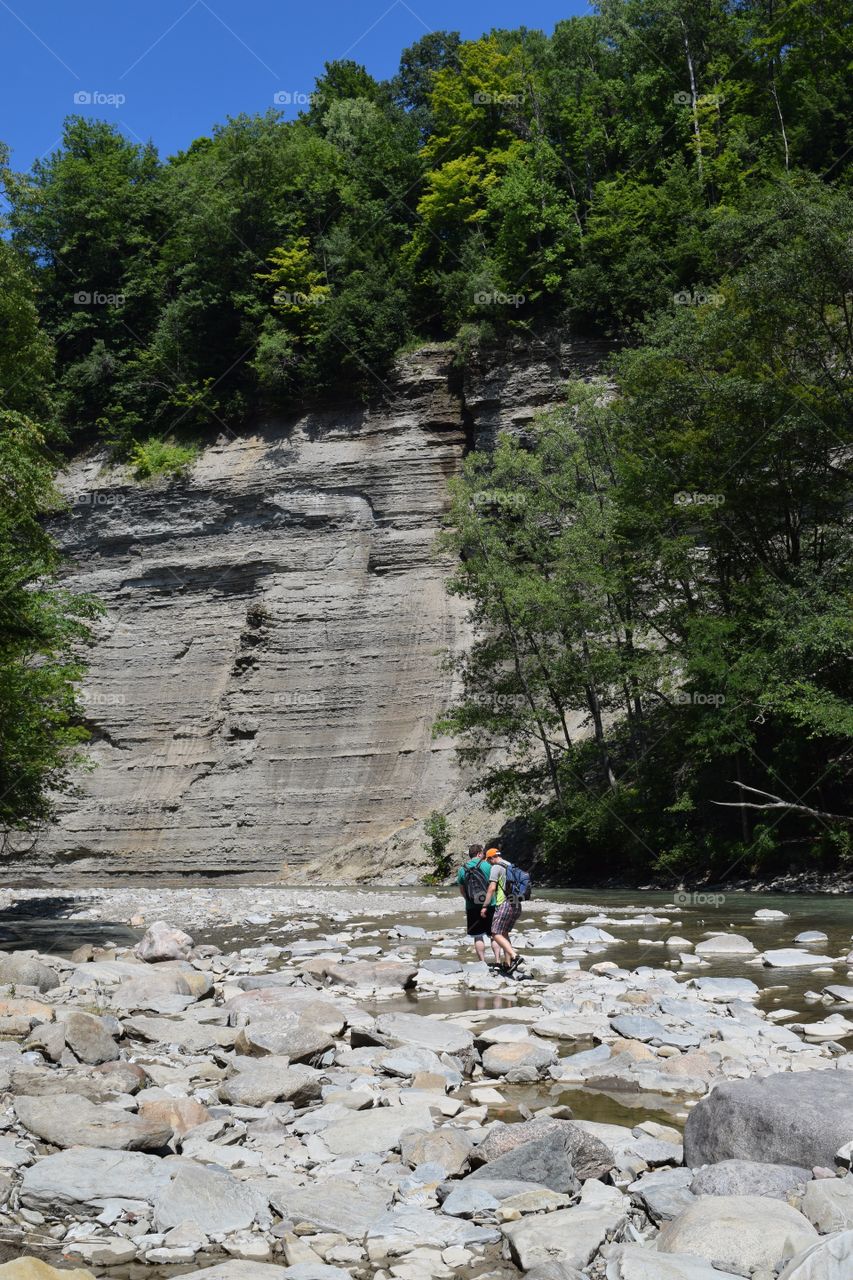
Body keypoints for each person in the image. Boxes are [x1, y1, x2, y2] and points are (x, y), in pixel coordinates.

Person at [456, 843, 502, 965]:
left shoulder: (462, 869)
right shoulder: (487, 865)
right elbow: (494, 885)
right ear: (479, 853)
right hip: (490, 904)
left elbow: (461, 889)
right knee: (494, 934)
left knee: (477, 936)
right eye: (482, 853)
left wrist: (468, 899)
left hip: (472, 906)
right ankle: (497, 960)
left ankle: (482, 963)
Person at [481, 847, 524, 974]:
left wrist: (484, 906)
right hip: (516, 903)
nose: (489, 863)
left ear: (492, 858)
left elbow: (492, 888)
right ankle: (508, 964)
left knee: (495, 933)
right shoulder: (510, 865)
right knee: (504, 933)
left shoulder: (496, 867)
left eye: (488, 861)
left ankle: (515, 956)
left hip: (504, 903)